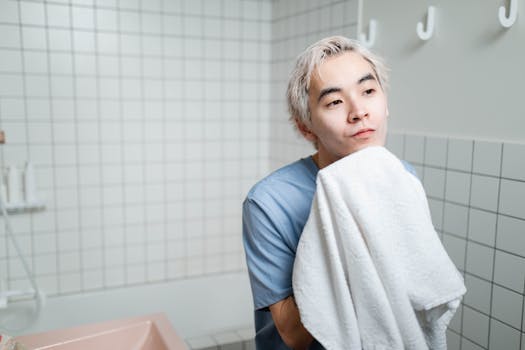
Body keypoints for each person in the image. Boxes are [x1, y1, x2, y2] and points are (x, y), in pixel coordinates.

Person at [242, 35, 417, 349]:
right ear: (306, 127)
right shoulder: (269, 202)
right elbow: (294, 336)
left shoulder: (402, 177)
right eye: (335, 101)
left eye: (368, 91)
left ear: (385, 103)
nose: (359, 111)